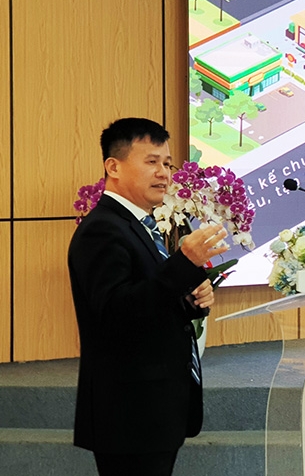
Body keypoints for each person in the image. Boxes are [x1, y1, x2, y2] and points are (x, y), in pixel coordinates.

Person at [68, 118, 229, 476]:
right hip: (129, 413)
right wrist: (183, 264)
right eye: (151, 161)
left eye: (167, 163)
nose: (164, 173)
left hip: (152, 410)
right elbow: (115, 313)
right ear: (113, 167)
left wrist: (189, 300)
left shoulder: (139, 226)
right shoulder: (102, 229)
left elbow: (148, 299)